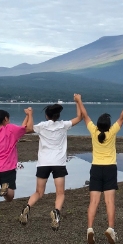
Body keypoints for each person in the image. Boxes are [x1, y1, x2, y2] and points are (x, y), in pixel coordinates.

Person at [19, 95, 83, 230]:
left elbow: (26, 129)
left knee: (38, 192)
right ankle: (56, 212)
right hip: (58, 163)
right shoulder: (63, 125)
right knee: (60, 193)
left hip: (43, 163)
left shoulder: (42, 126)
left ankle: (28, 207)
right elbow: (80, 117)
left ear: (47, 116)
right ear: (58, 116)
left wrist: (30, 114)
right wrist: (78, 101)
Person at [78, 95, 123, 244]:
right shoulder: (112, 132)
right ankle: (110, 229)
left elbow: (85, 115)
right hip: (110, 169)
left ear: (98, 125)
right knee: (110, 202)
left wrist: (79, 100)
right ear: (109, 126)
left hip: (96, 168)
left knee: (93, 202)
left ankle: (90, 229)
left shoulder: (93, 131)